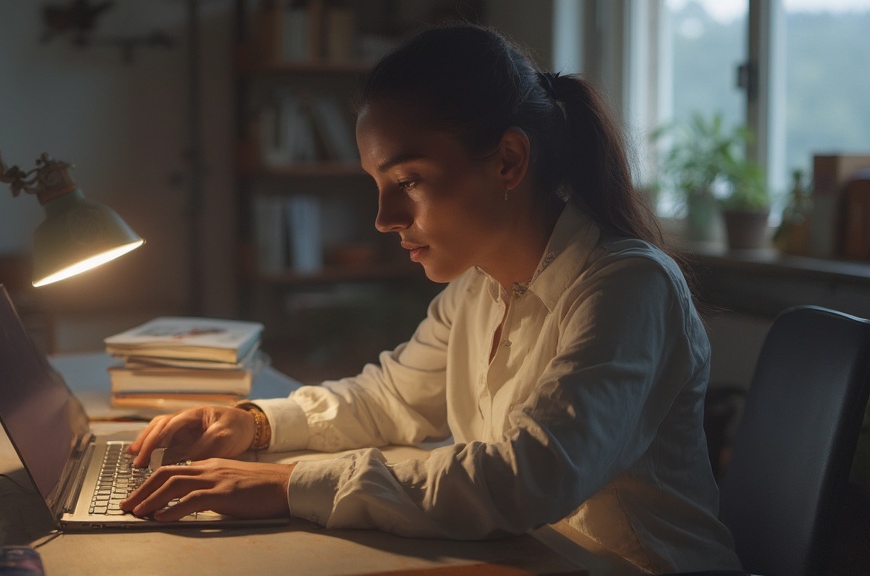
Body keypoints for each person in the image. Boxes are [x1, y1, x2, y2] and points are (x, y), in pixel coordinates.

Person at [120, 23, 742, 574]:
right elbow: (390, 400)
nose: (384, 218)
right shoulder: (480, 286)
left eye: (409, 181)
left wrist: (287, 484)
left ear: (508, 160)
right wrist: (253, 424)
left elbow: (525, 479)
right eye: (378, 185)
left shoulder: (628, 286)